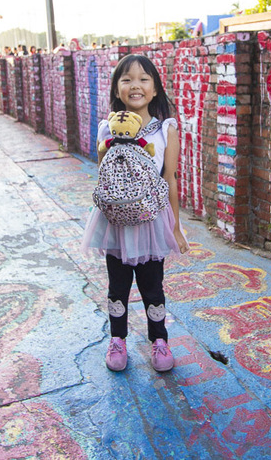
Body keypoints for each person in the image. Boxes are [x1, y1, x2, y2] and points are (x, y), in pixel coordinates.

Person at [81, 54, 189, 373]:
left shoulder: (166, 130)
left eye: (144, 79)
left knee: (153, 287)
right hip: (115, 224)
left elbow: (170, 179)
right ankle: (118, 341)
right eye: (127, 79)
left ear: (155, 89)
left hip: (153, 224)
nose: (135, 85)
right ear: (117, 88)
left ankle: (159, 340)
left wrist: (177, 228)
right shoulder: (106, 128)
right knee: (118, 288)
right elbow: (105, 177)